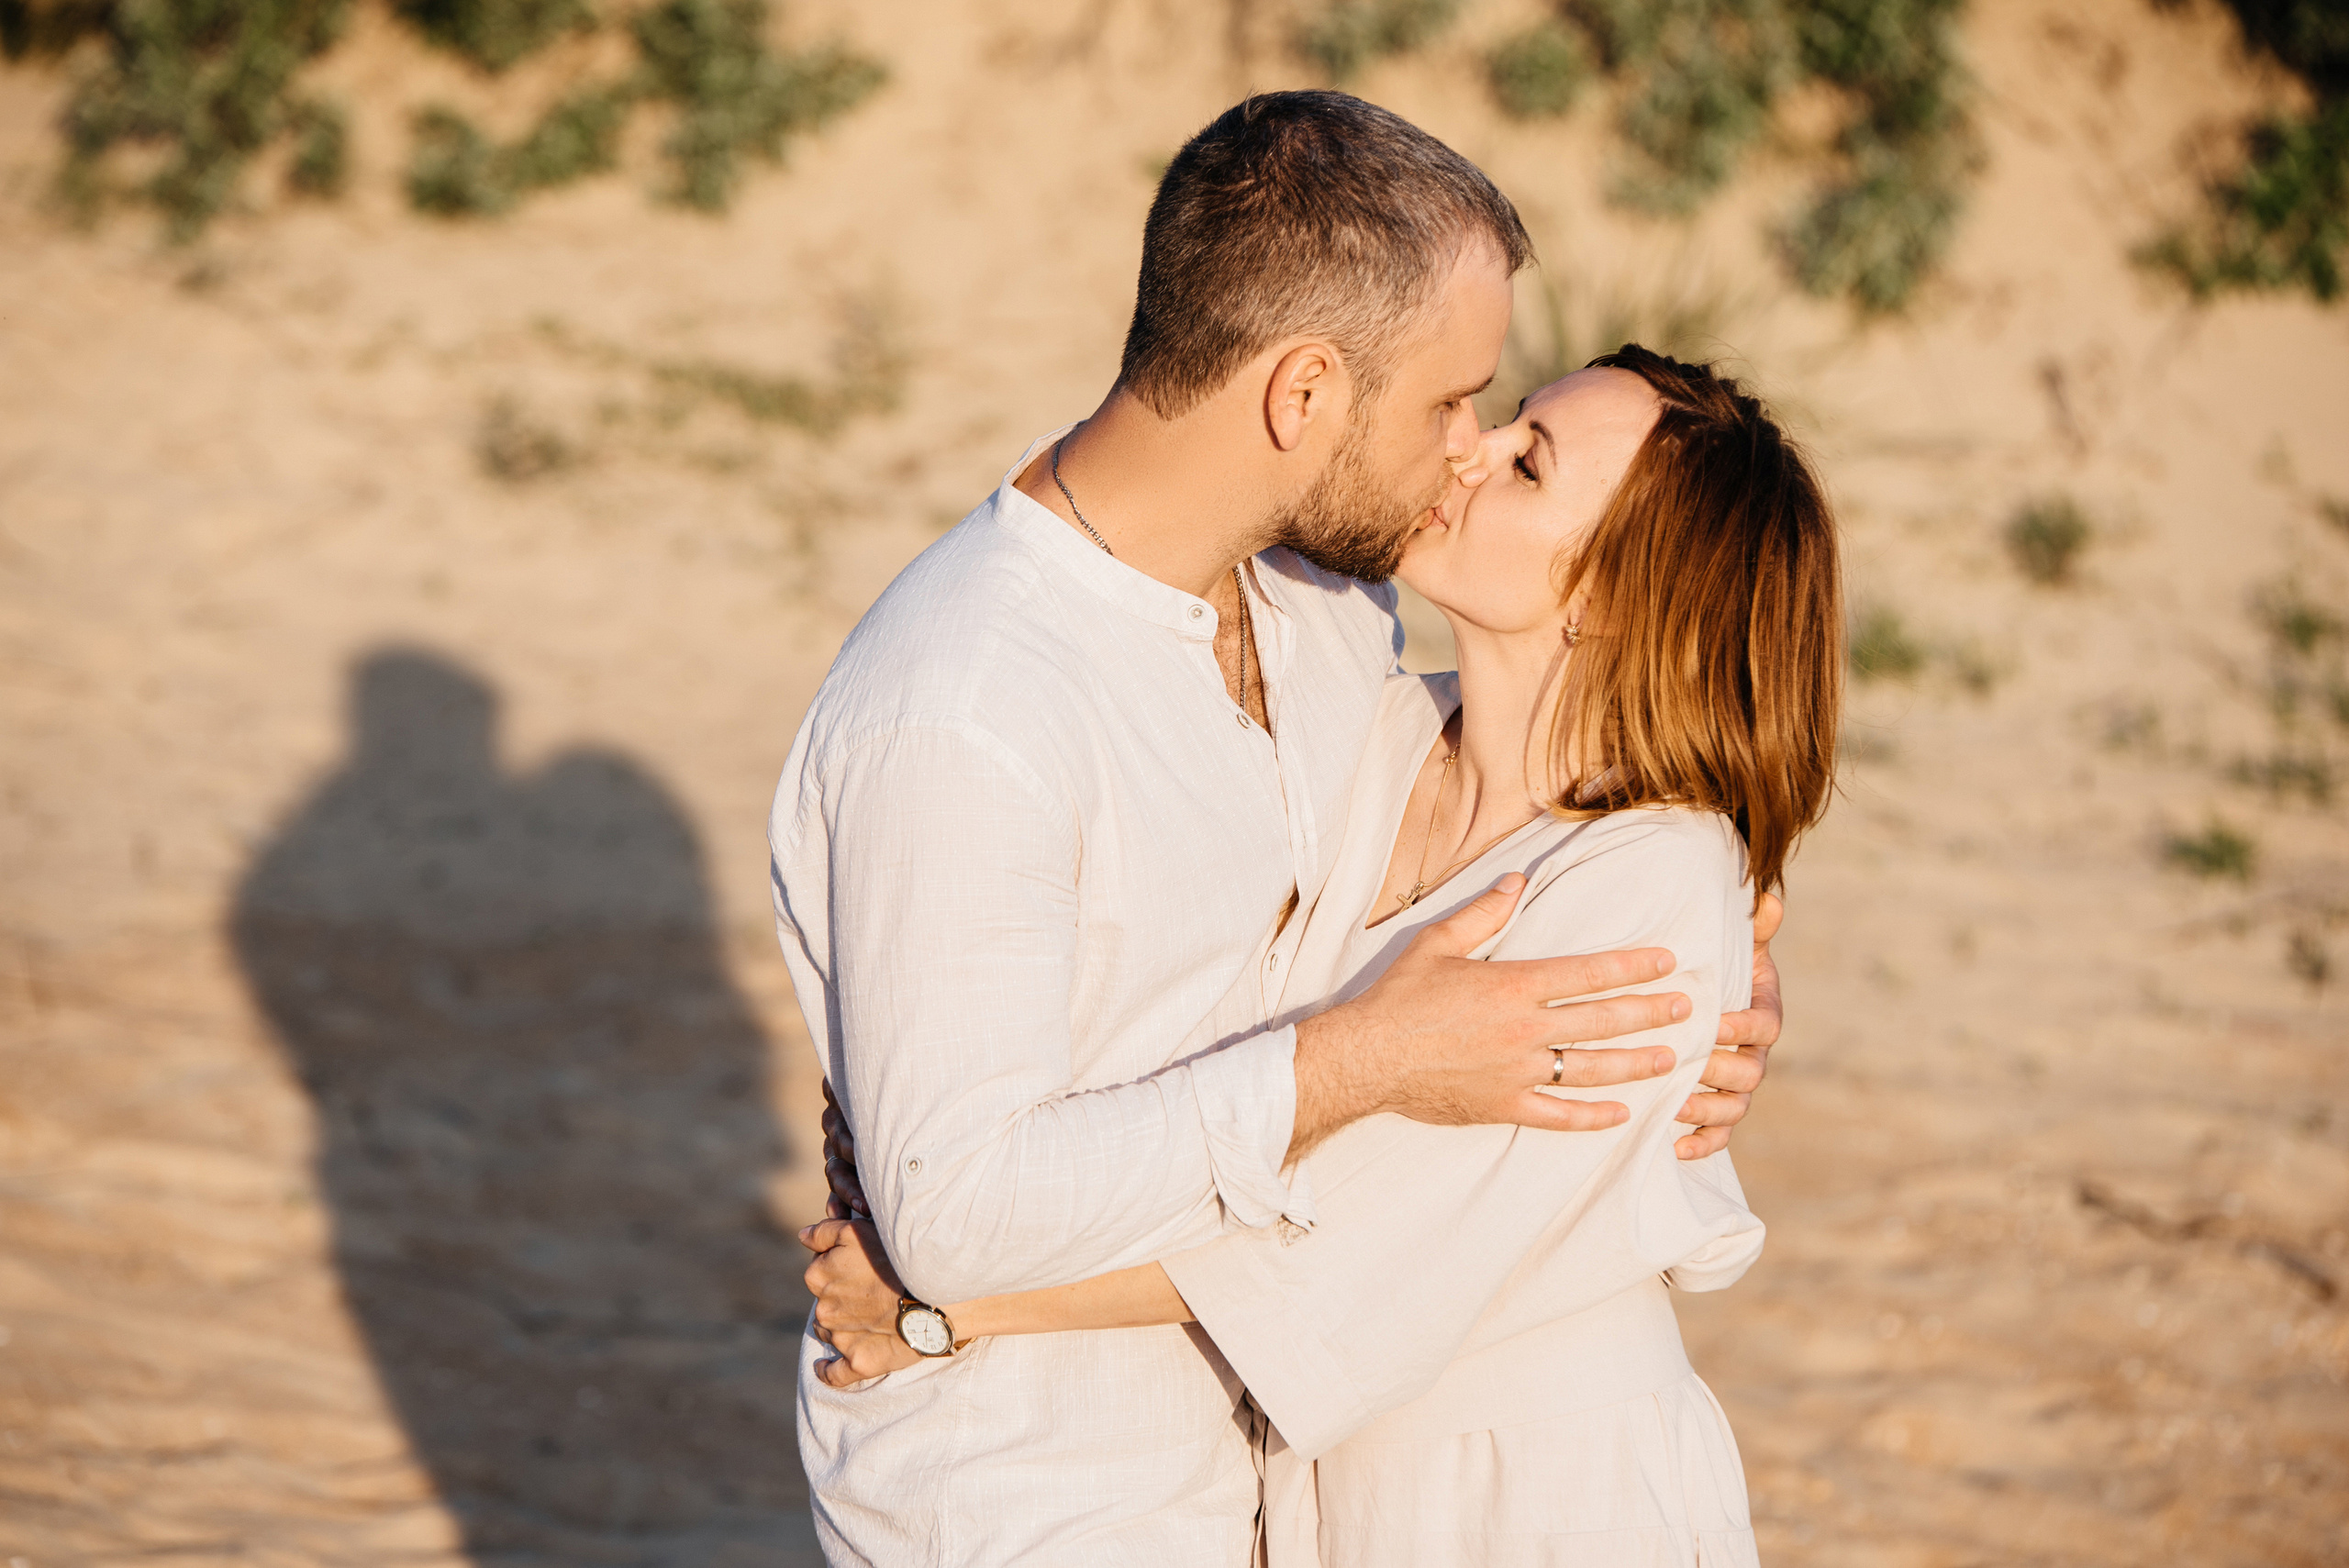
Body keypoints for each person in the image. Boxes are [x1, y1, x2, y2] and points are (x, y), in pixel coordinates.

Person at [767, 92, 1780, 1565]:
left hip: (1318, 1487)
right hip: (1023, 1488)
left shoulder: (1318, 621)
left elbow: (1577, 803)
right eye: (1455, 402)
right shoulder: (968, 704)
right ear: (1303, 394)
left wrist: (1725, 960)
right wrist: (1365, 1058)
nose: (1470, 446)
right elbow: (960, 1204)